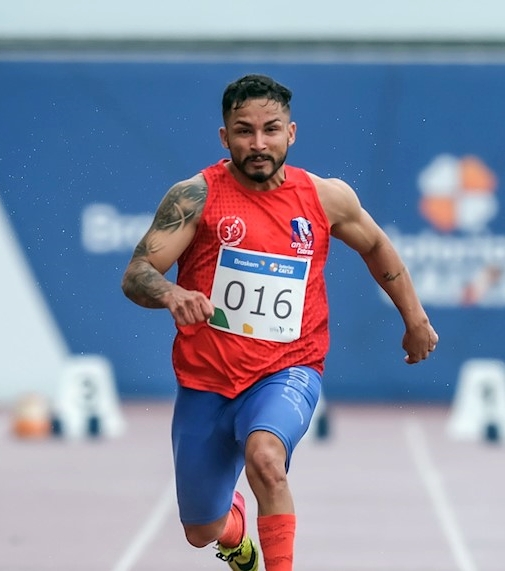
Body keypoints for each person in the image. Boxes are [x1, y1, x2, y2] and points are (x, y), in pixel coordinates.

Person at [120, 74, 438, 571]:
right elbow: (138, 271)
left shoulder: (325, 198)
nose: (258, 143)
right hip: (207, 380)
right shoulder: (195, 197)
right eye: (244, 131)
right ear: (225, 137)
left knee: (267, 459)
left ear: (292, 132)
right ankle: (235, 530)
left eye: (271, 129)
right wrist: (172, 293)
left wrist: (414, 317)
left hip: (288, 369)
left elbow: (375, 245)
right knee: (201, 531)